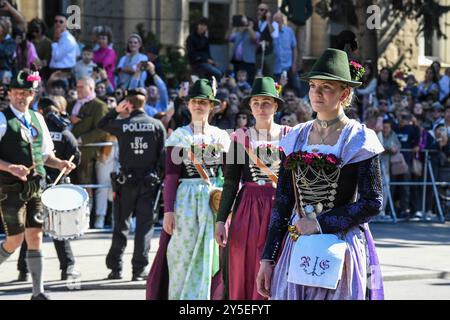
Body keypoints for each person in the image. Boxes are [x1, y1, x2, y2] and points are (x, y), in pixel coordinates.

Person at [256, 48, 385, 300]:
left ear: (344, 93)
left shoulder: (359, 139)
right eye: (314, 85)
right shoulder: (295, 137)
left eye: (326, 87)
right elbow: (282, 203)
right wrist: (267, 258)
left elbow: (373, 202)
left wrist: (319, 223)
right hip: (297, 244)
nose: (316, 92)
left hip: (341, 246)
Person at [146, 79, 231, 300]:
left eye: (204, 102)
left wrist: (228, 207)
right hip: (185, 201)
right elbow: (171, 177)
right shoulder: (179, 137)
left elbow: (229, 176)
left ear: (211, 106)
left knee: (212, 255)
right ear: (188, 104)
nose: (199, 106)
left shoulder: (222, 137)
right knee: (181, 255)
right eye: (195, 101)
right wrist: (168, 211)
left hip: (213, 200)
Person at [0, 69, 76, 300]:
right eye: (19, 92)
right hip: (10, 189)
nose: (23, 97)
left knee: (36, 236)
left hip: (36, 187)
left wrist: (60, 162)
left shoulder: (37, 118)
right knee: (15, 239)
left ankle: (38, 292)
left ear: (33, 96)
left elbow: (44, 156)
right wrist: (10, 167)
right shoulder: (2, 119)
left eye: (27, 93)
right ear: (10, 94)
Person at [214, 77, 291, 300]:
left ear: (275, 106)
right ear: (250, 107)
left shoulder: (290, 135)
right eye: (256, 102)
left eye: (266, 102)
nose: (261, 107)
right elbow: (230, 182)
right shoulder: (239, 138)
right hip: (248, 209)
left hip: (281, 206)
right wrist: (221, 220)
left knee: (277, 264)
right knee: (243, 263)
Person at [98, 88, 166, 281]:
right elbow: (163, 157)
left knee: (121, 224)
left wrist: (116, 111)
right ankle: (139, 270)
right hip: (148, 182)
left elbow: (101, 124)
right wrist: (158, 177)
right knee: (144, 227)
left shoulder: (123, 124)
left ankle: (115, 269)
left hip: (126, 182)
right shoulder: (156, 125)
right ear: (144, 104)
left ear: (129, 105)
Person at [17, 97, 82, 282]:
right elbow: (76, 158)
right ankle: (67, 266)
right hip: (56, 185)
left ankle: (24, 269)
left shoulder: (32, 131)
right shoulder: (65, 132)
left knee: (32, 225)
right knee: (57, 227)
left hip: (36, 183)